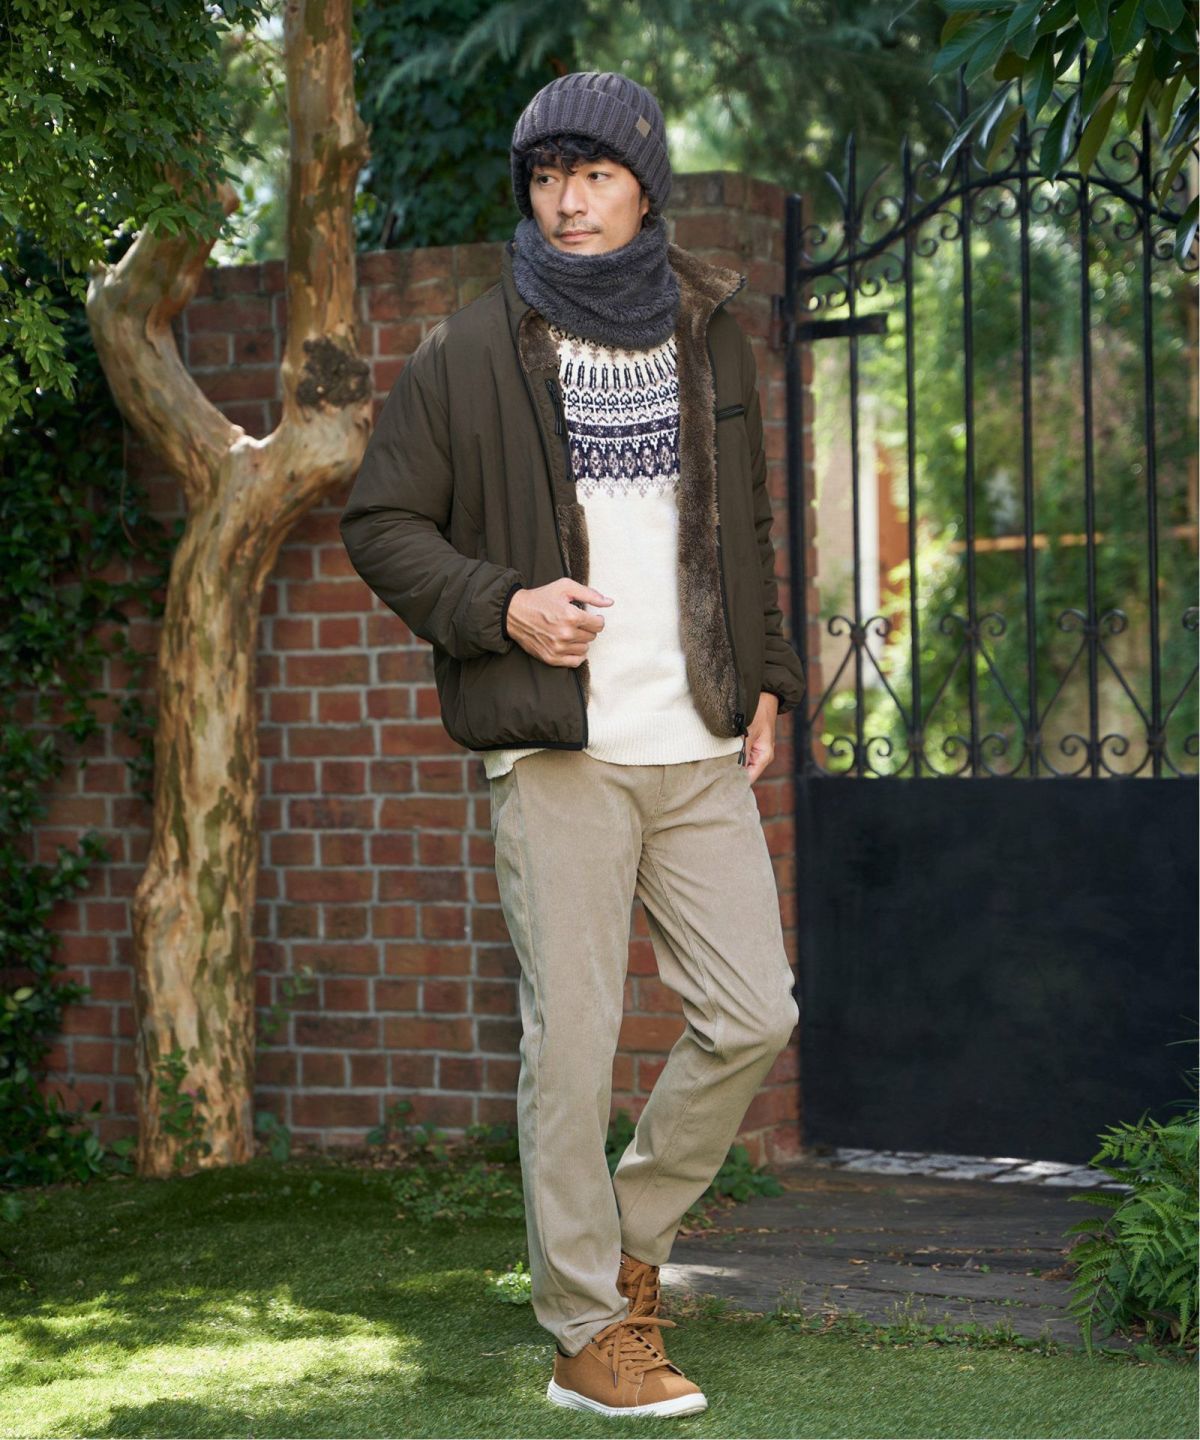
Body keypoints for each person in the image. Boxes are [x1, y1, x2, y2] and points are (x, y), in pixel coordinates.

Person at [340, 69, 805, 1419]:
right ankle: (587, 1333)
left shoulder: (711, 337)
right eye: (547, 177)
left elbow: (747, 526)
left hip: (695, 738)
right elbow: (382, 523)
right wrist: (503, 605)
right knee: (573, 1040)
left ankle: (627, 1239)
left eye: (594, 174)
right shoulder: (470, 349)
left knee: (754, 1012)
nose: (568, 200)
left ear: (643, 187)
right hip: (557, 750)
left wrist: (768, 679)